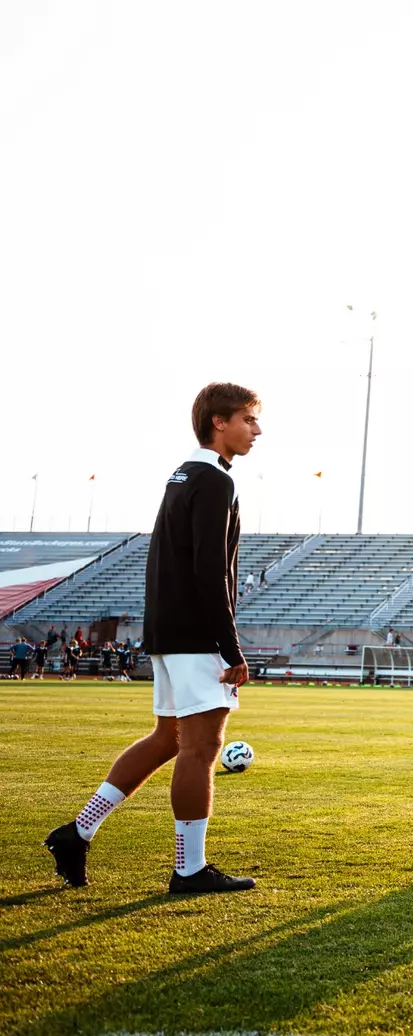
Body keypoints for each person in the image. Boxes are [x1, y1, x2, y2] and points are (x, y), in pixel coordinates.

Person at [44, 382, 262, 894]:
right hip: (196, 637)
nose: (257, 430)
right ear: (219, 422)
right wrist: (231, 648)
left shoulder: (182, 475)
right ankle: (189, 869)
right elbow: (210, 571)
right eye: (249, 419)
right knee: (202, 747)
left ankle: (78, 832)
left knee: (169, 738)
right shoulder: (214, 480)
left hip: (167, 631)